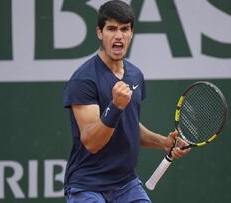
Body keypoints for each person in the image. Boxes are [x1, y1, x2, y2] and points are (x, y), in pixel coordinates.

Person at [63, 0, 190, 202]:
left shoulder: (135, 75)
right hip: (87, 186)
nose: (119, 36)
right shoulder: (83, 80)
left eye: (125, 29)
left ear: (131, 33)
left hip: (126, 184)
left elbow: (128, 127)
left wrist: (163, 142)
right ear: (99, 33)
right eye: (111, 29)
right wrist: (115, 107)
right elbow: (91, 142)